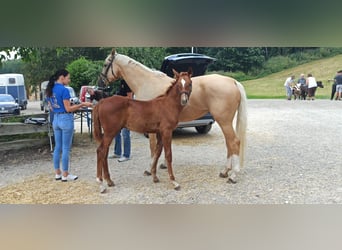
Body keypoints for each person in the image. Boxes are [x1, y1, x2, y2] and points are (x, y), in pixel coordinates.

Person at [46, 69, 92, 181]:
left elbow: (51, 107)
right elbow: (68, 108)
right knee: (66, 148)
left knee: (58, 147)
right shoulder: (64, 90)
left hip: (55, 118)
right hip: (65, 118)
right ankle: (65, 174)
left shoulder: (49, 89)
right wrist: (82, 104)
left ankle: (57, 173)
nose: (69, 80)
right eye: (68, 78)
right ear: (62, 77)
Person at [108, 80, 132, 162]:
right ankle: (117, 152)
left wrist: (117, 98)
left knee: (125, 133)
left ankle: (126, 154)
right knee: (116, 132)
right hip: (119, 111)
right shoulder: (121, 81)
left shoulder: (127, 82)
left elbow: (129, 97)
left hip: (126, 111)